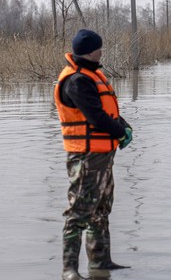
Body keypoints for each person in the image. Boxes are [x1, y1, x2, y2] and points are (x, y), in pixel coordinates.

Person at [54, 29, 133, 280]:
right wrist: (119, 132)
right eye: (100, 48)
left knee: (101, 209)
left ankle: (100, 263)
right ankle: (69, 270)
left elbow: (106, 112)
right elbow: (95, 117)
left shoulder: (91, 75)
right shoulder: (77, 80)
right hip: (86, 157)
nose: (102, 51)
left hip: (102, 156)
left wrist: (124, 126)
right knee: (79, 211)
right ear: (90, 51)